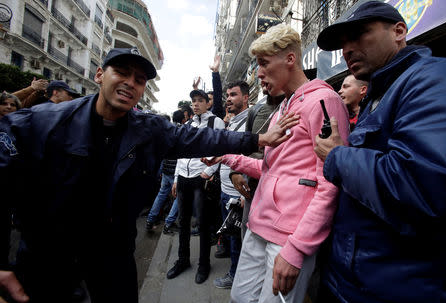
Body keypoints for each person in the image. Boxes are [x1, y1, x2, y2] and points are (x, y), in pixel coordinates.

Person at [0, 47, 299, 303]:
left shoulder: (148, 129)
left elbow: (201, 140)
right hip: (47, 259)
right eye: (121, 72)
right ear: (100, 75)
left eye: (139, 79)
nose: (130, 83)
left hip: (114, 256)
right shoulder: (40, 124)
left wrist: (258, 140)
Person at [314, 2, 446, 303]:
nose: (347, 49)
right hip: (350, 280)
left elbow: (424, 187)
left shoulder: (431, 79)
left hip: (394, 288)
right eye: (342, 44)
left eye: (359, 34)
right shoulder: (380, 93)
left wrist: (337, 156)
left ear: (399, 31)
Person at [204, 23, 349, 303]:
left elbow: (330, 182)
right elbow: (272, 170)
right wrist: (227, 157)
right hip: (259, 225)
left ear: (290, 60)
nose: (258, 73)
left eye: (263, 63)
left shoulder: (325, 101)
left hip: (288, 238)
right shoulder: (284, 106)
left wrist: (297, 248)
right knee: (239, 297)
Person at [168, 89, 225, 285]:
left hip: (201, 177)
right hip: (184, 177)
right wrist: (176, 177)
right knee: (183, 222)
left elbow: (221, 147)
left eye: (200, 100)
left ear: (208, 103)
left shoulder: (215, 121)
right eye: (194, 101)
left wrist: (209, 172)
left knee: (202, 223)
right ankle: (183, 259)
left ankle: (204, 264)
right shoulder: (188, 124)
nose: (196, 104)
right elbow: (181, 152)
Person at [230, 82, 285, 239]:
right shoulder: (255, 110)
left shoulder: (295, 105)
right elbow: (245, 144)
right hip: (252, 188)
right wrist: (235, 172)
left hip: (281, 192)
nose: (260, 76)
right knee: (248, 237)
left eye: (265, 64)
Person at [213, 80, 250, 289]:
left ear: (245, 97)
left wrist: (244, 195)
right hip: (225, 189)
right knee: (230, 234)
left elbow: (250, 157)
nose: (228, 99)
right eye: (227, 95)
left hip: (238, 194)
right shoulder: (233, 120)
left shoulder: (249, 121)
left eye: (233, 95)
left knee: (237, 238)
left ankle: (234, 276)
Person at [146, 114, 180, 235]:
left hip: (165, 170)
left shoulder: (159, 134)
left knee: (161, 195)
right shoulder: (175, 131)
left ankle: (150, 220)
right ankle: (168, 223)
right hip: (175, 171)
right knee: (179, 197)